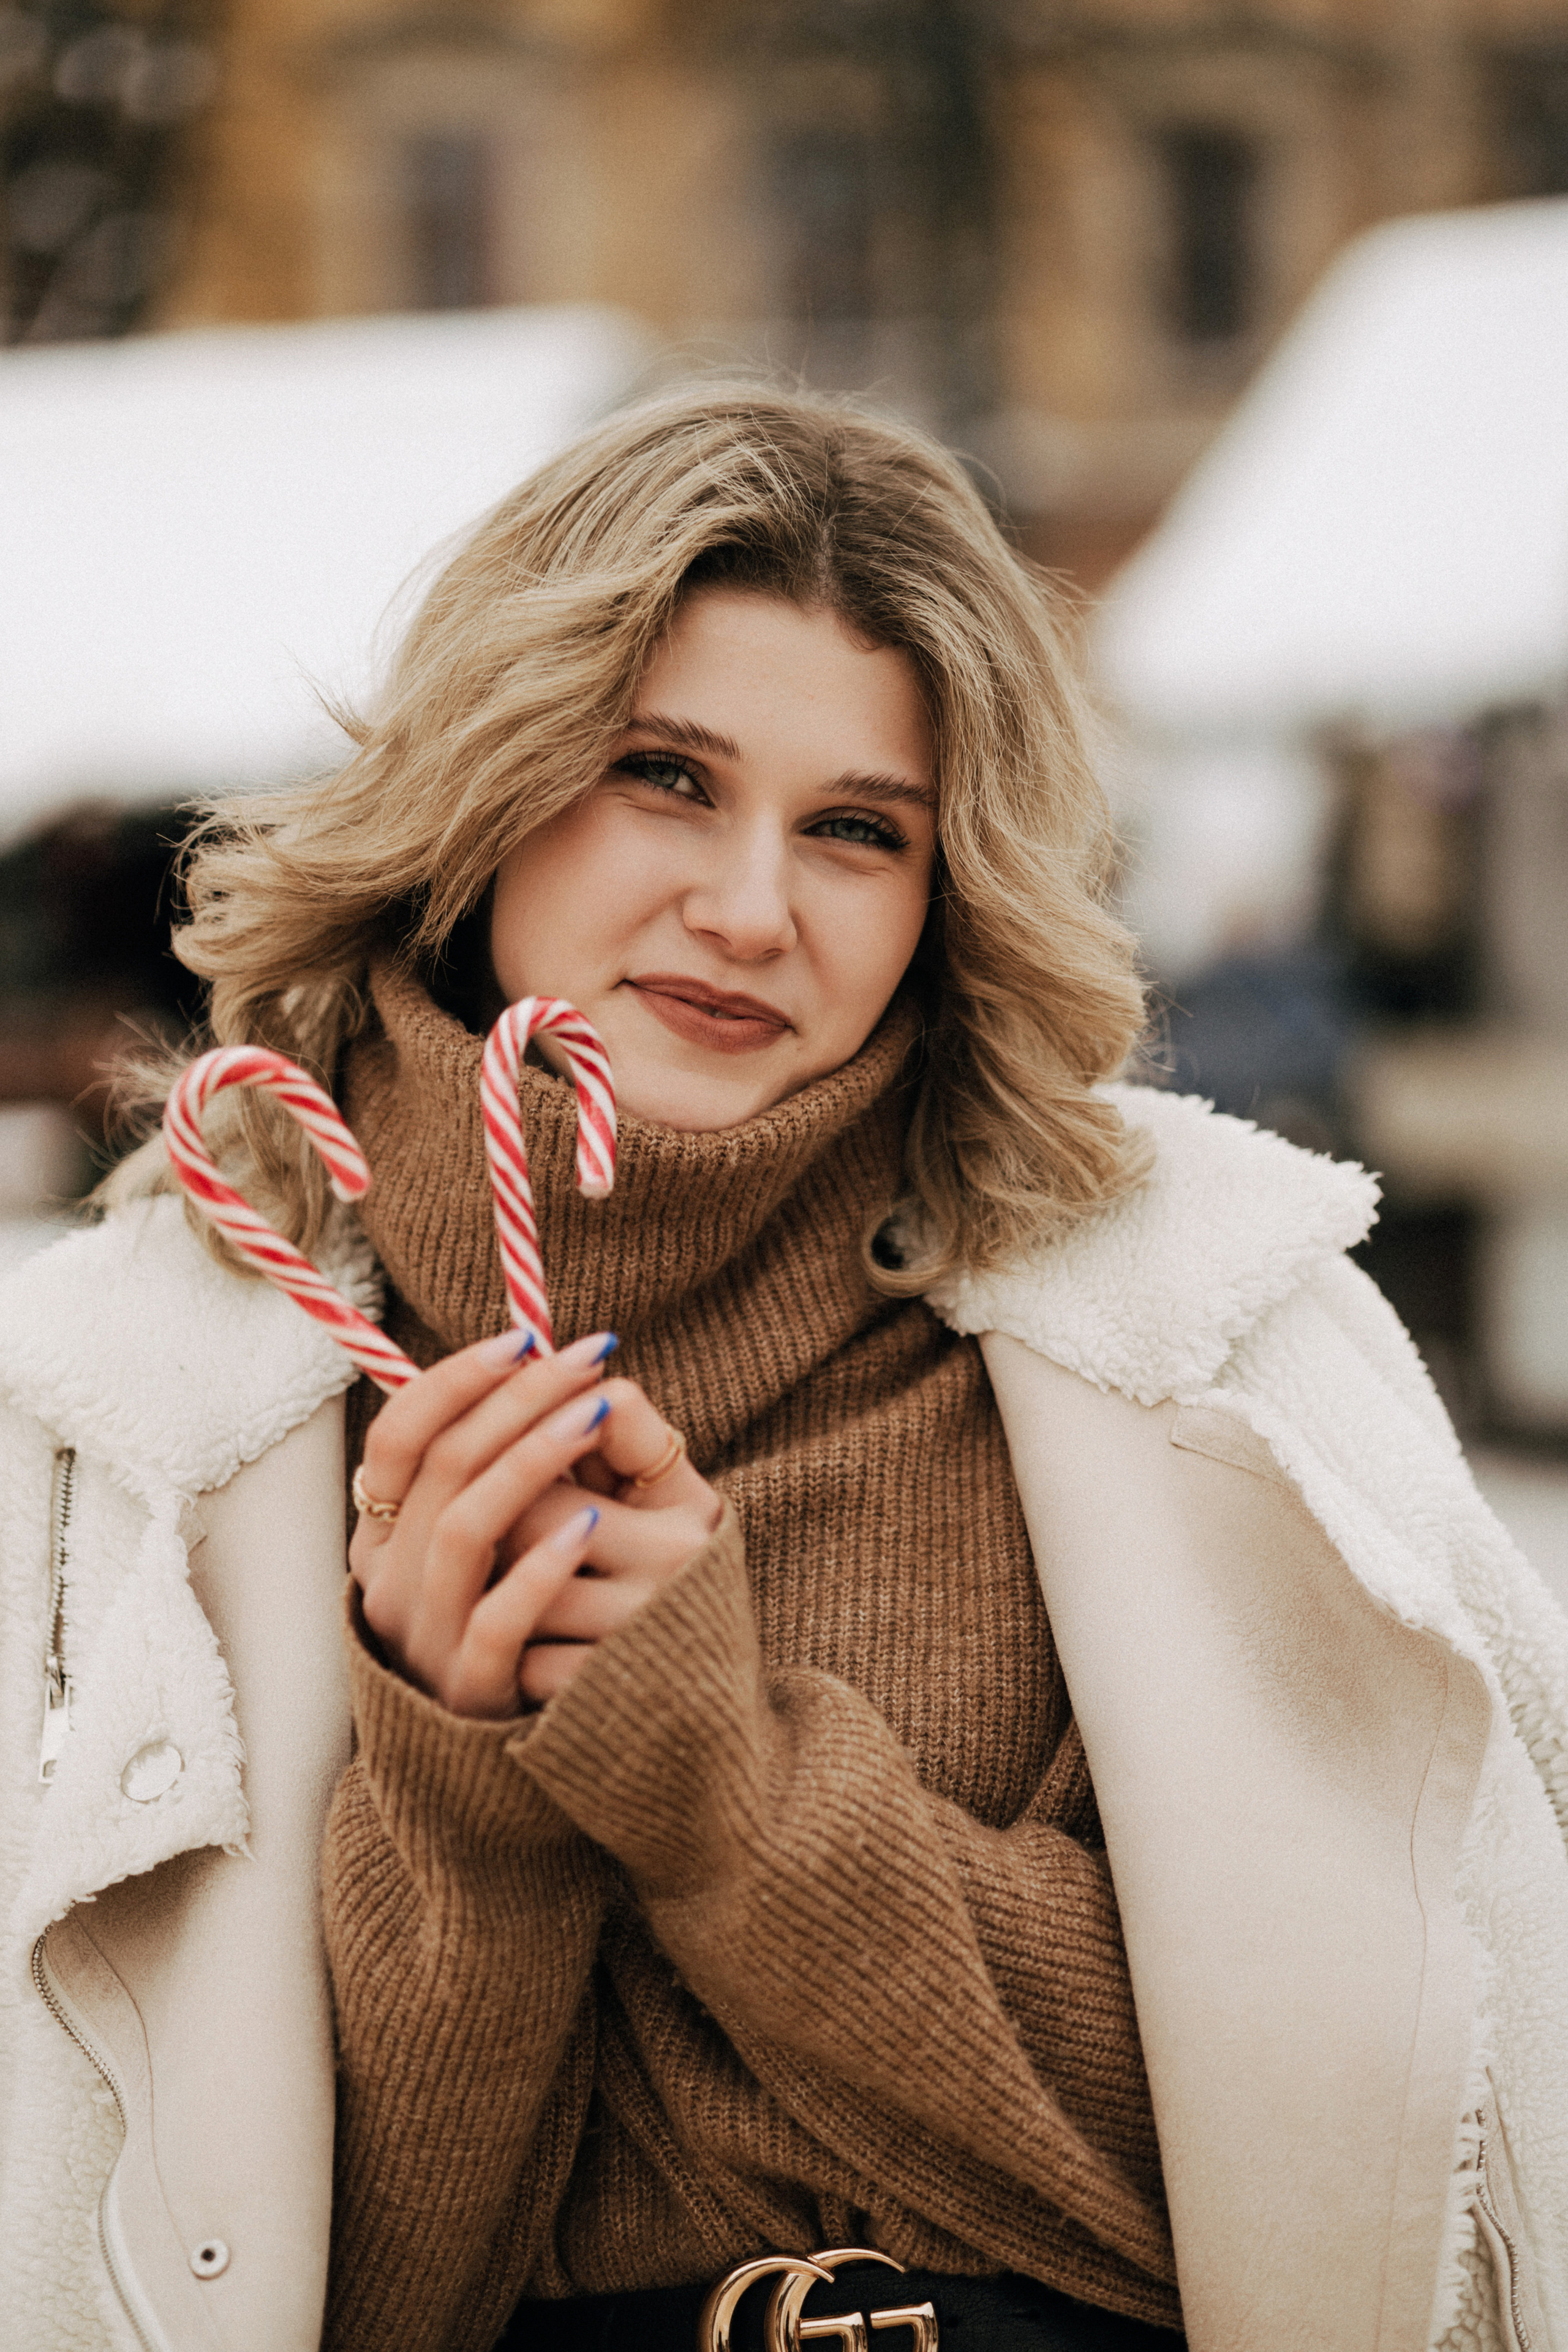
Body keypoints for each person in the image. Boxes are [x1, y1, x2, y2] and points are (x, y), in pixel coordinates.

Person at [2, 389, 1565, 2352]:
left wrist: (728, 1775)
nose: (752, 911)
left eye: (857, 831)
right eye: (665, 776)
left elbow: (1371, 2181)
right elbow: (245, 2288)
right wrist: (466, 1789)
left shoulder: (1196, 1336)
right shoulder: (156, 1405)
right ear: (492, 779)